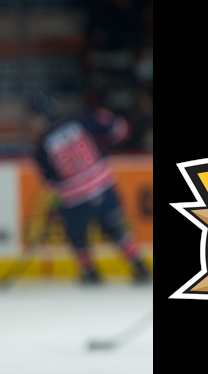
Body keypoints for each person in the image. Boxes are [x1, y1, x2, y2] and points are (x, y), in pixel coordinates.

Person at [27, 92, 149, 284]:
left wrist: (54, 205)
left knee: (77, 237)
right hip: (102, 186)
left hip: (74, 198)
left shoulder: (41, 147)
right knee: (116, 229)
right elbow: (119, 130)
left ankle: (89, 272)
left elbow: (52, 183)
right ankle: (139, 267)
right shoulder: (81, 119)